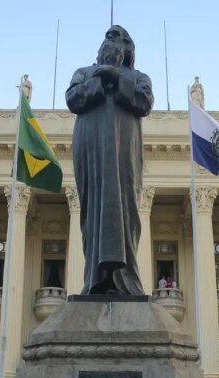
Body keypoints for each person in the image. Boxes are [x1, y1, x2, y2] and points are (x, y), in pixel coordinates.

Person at [65, 25, 154, 295]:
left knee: (125, 209)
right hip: (91, 149)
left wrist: (118, 79)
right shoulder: (84, 73)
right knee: (93, 211)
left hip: (124, 149)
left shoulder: (138, 77)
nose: (113, 43)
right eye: (109, 37)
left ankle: (125, 280)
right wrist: (101, 80)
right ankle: (95, 280)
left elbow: (145, 102)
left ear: (129, 50)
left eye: (121, 39)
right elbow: (73, 99)